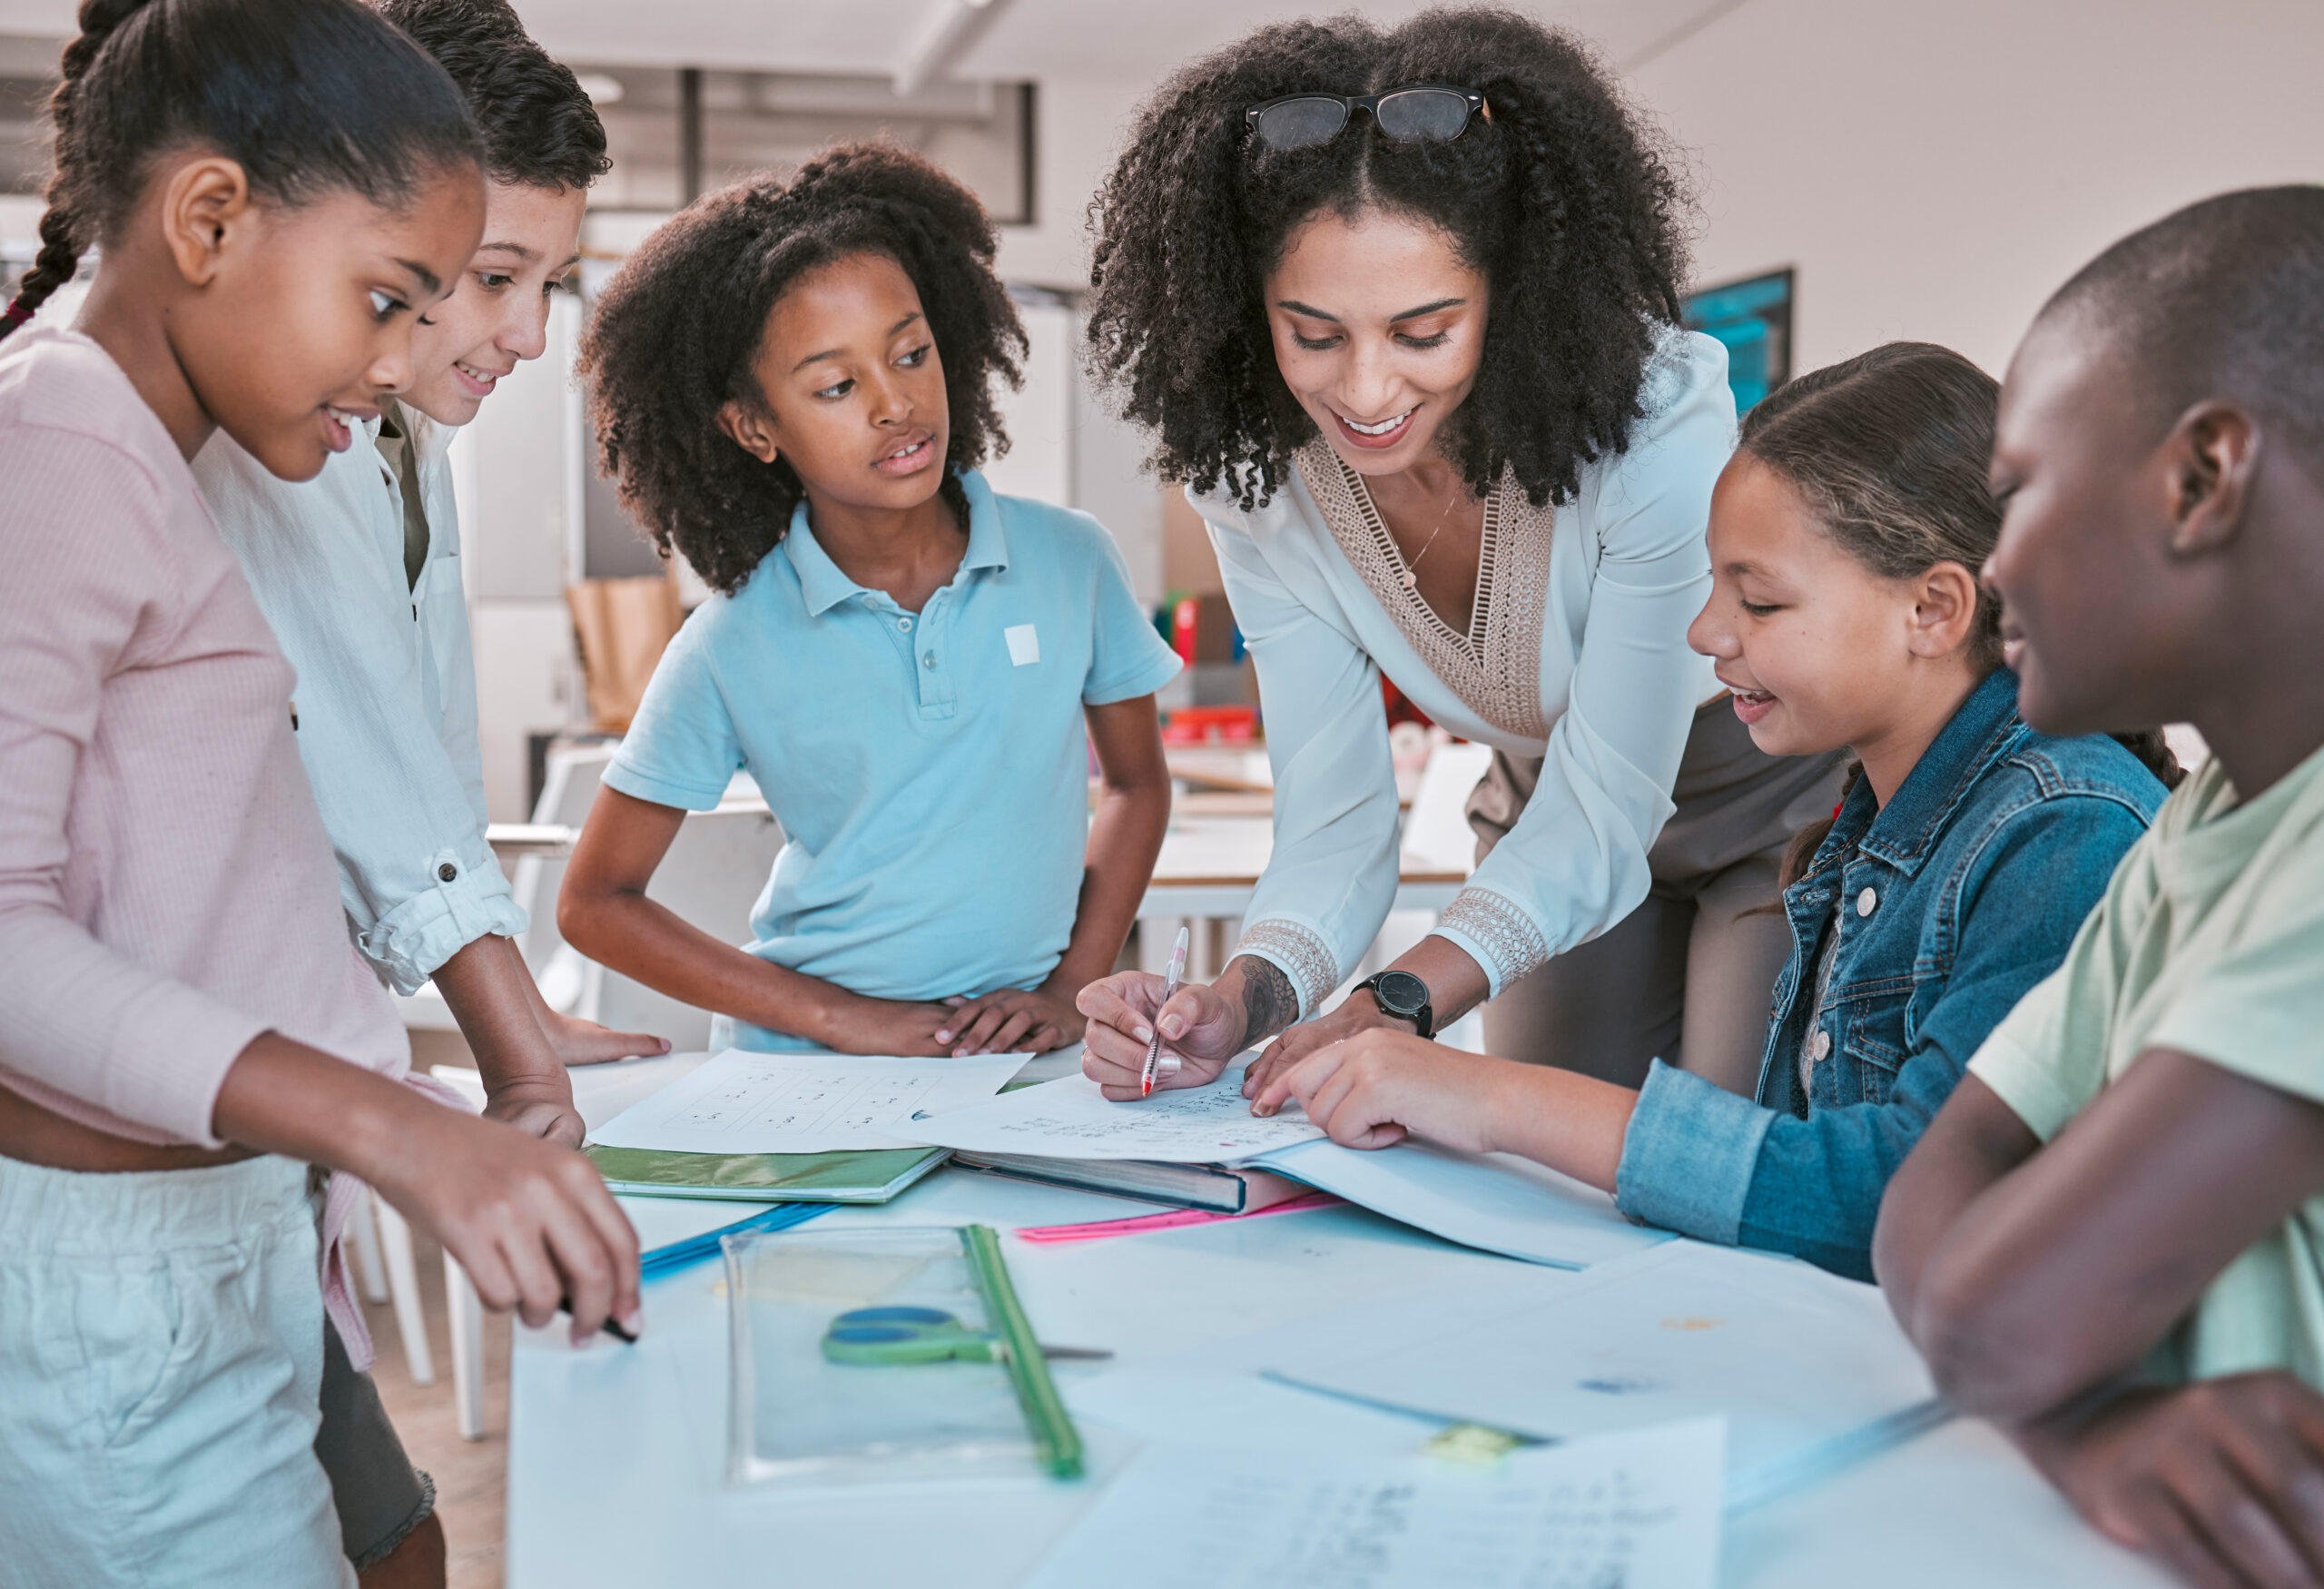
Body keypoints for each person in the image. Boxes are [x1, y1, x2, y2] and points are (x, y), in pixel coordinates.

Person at [0, 4, 638, 1586]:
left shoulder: (147, 448)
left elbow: (199, 903)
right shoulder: (58, 442)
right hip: (119, 1278)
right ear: (209, 218)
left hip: (218, 1234)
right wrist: (406, 1135)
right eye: (386, 298)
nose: (397, 358)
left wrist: (418, 1114)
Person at [1248, 342, 2172, 1280]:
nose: (1704, 633)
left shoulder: (2063, 832)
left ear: (1933, 609)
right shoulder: (1877, 817)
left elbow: (1909, 1194)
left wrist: (1494, 1099)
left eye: (1759, 600)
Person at [1076, 8, 1847, 1106]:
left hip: (1766, 794)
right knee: (1541, 1168)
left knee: (1713, 1146)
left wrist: (1394, 998)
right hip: (1545, 807)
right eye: (1314, 332)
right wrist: (1243, 997)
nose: (1366, 390)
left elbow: (1609, 805)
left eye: (1423, 331)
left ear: (1511, 297)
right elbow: (1334, 819)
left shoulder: (1654, 420)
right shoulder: (1258, 487)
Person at [189, 3, 658, 1579]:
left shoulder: (402, 444)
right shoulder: (263, 426)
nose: (530, 336)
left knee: (389, 1541)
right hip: (145, 1141)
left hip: (264, 1119)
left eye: (550, 284)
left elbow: (426, 778)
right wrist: (513, 1042)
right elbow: (356, 753)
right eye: (501, 278)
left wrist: (491, 1011)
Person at [1874, 188, 2324, 1589]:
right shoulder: (2202, 824)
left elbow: (2007, 1315)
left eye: (2016, 491)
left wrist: (2038, 1366)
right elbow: (1929, 1189)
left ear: (2200, 480)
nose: (1995, 562)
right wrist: (2102, 1430)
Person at [560, 145, 1178, 1058]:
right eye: (837, 386)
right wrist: (840, 1019)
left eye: (911, 353)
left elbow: (1135, 783)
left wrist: (1068, 985)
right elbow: (594, 902)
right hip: (808, 1069)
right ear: (754, 426)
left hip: (1019, 1053)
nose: (895, 404)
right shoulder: (730, 642)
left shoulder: (1070, 560)